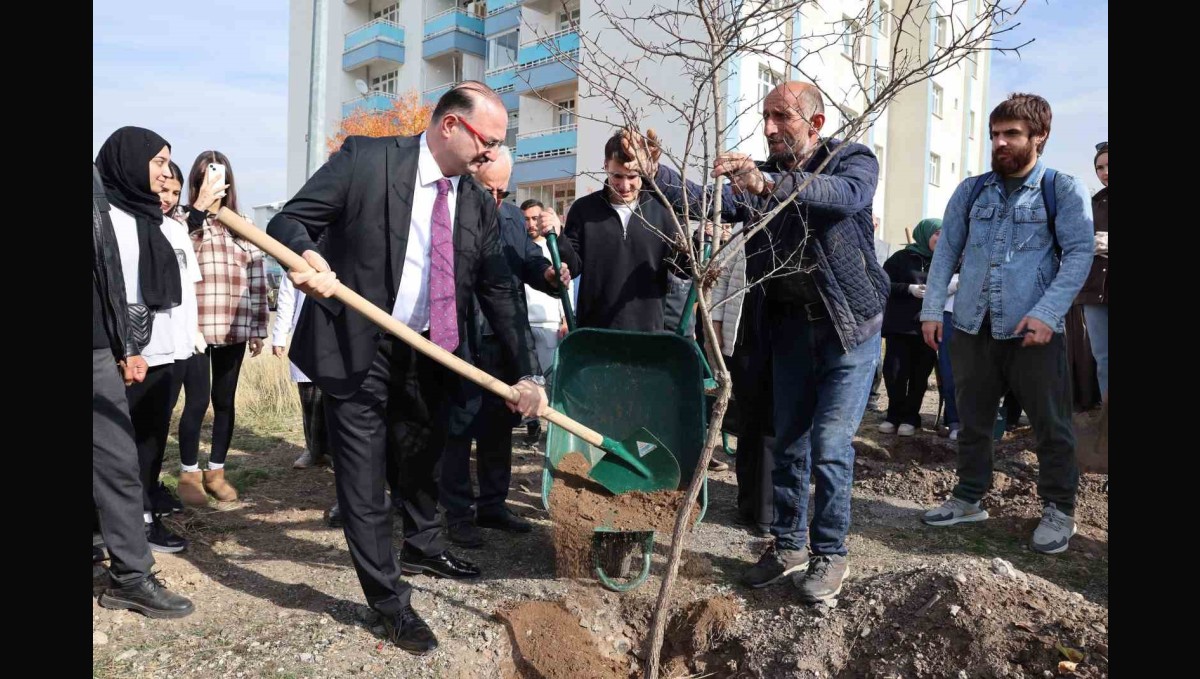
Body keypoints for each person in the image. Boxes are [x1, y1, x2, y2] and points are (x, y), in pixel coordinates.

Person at [267, 81, 548, 654]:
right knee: (365, 478)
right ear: (451, 126)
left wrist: (529, 374)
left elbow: (499, 291)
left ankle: (422, 544)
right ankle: (390, 601)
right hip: (357, 345)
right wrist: (309, 257)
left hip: (430, 351)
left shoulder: (472, 201)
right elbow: (289, 222)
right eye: (488, 142)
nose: (492, 155)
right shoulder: (367, 160)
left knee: (421, 455)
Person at [632, 80, 887, 603]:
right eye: (765, 117)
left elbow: (844, 197)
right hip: (790, 328)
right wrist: (654, 171)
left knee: (830, 444)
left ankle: (830, 553)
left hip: (848, 329)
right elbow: (709, 201)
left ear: (815, 124)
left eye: (782, 118)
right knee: (787, 440)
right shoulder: (763, 179)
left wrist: (767, 185)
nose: (769, 128)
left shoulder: (851, 160)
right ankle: (789, 544)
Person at [919, 93, 1094, 555]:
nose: (1000, 142)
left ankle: (1059, 509)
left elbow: (1079, 255)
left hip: (1033, 332)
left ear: (1039, 137)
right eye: (995, 134)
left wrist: (1048, 312)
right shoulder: (972, 190)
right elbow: (946, 256)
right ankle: (969, 498)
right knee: (973, 421)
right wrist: (932, 311)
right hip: (973, 326)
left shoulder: (1062, 189)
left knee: (1050, 425)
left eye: (1011, 134)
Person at [92, 127, 194, 618]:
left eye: (166, 162)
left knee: (117, 461)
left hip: (104, 350)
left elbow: (113, 287)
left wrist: (126, 346)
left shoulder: (151, 217)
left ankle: (130, 576)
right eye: (156, 160)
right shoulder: (96, 208)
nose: (163, 171)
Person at [441, 147, 564, 548]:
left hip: (503, 340)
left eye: (502, 192)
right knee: (457, 426)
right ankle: (458, 514)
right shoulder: (448, 208)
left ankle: (492, 504)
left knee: (498, 426)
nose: (496, 199)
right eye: (488, 190)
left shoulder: (511, 217)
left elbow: (527, 261)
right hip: (459, 337)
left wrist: (548, 272)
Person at [174, 151, 269, 506]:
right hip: (195, 328)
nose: (210, 182)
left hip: (234, 324)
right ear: (195, 182)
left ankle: (216, 470)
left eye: (217, 175)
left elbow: (257, 276)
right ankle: (188, 473)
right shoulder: (182, 219)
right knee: (196, 401)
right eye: (202, 177)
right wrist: (198, 209)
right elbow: (178, 252)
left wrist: (258, 327)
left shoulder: (242, 223)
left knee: (224, 401)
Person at [878, 219, 942, 437]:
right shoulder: (901, 259)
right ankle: (893, 414)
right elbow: (882, 283)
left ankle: (911, 417)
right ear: (925, 234)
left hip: (928, 327)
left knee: (920, 374)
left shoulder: (945, 261)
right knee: (895, 372)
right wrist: (909, 288)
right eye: (936, 234)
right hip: (900, 326)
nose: (940, 239)